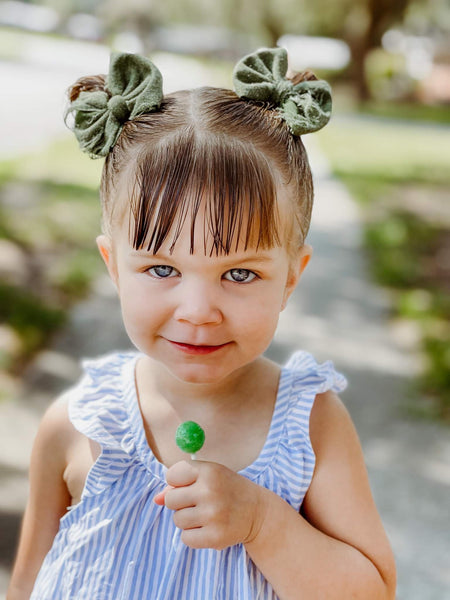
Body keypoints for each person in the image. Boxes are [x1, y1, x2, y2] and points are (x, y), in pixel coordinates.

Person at [8, 48, 396, 599]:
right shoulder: (74, 425)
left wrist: (263, 522)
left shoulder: (310, 426)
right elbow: (27, 586)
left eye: (239, 273)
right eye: (162, 268)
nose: (197, 310)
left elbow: (373, 591)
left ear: (291, 277)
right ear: (113, 266)